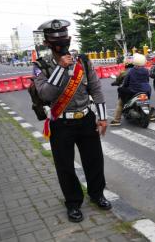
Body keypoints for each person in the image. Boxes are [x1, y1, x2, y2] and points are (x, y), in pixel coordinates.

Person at [32, 19, 111, 223]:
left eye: (64, 37)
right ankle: (73, 203)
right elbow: (46, 94)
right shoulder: (40, 65)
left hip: (86, 118)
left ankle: (97, 194)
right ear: (48, 43)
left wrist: (102, 118)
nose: (61, 42)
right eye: (55, 39)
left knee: (94, 160)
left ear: (69, 37)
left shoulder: (83, 60)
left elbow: (96, 89)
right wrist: (60, 68)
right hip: (60, 122)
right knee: (65, 166)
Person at [117, 53, 155, 120]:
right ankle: (152, 114)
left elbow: (126, 82)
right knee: (146, 101)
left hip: (134, 90)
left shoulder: (131, 71)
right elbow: (147, 80)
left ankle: (117, 119)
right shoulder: (146, 70)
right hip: (146, 90)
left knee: (120, 90)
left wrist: (123, 86)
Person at [110, 56, 133, 126]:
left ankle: (116, 120)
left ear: (125, 64)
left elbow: (118, 81)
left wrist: (113, 83)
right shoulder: (139, 70)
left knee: (120, 103)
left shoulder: (123, 72)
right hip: (140, 89)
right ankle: (152, 114)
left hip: (128, 91)